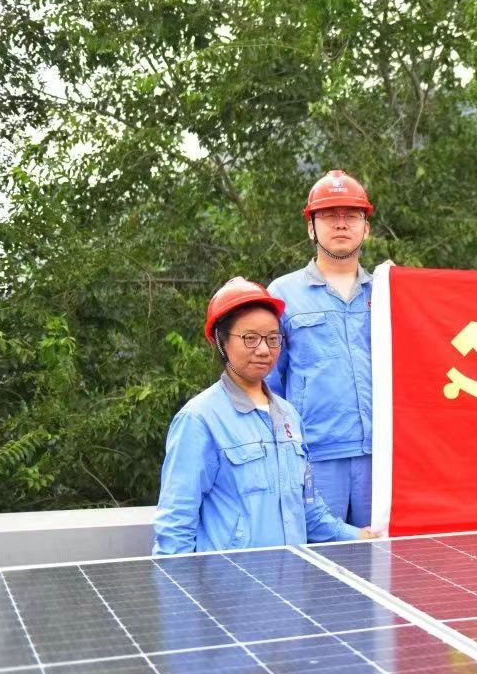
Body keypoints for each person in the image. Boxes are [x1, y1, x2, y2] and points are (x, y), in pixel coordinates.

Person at [153, 277, 377, 553]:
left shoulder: (289, 416)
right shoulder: (199, 420)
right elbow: (175, 525)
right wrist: (177, 579)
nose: (263, 350)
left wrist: (359, 535)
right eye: (250, 338)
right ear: (221, 342)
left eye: (273, 339)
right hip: (229, 578)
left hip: (291, 577)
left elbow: (309, 513)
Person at [267, 170, 377, 529]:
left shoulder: (387, 293)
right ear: (311, 228)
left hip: (381, 457)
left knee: (383, 552)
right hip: (314, 455)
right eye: (329, 215)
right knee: (319, 555)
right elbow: (268, 383)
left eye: (351, 216)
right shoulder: (282, 294)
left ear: (366, 228)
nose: (341, 224)